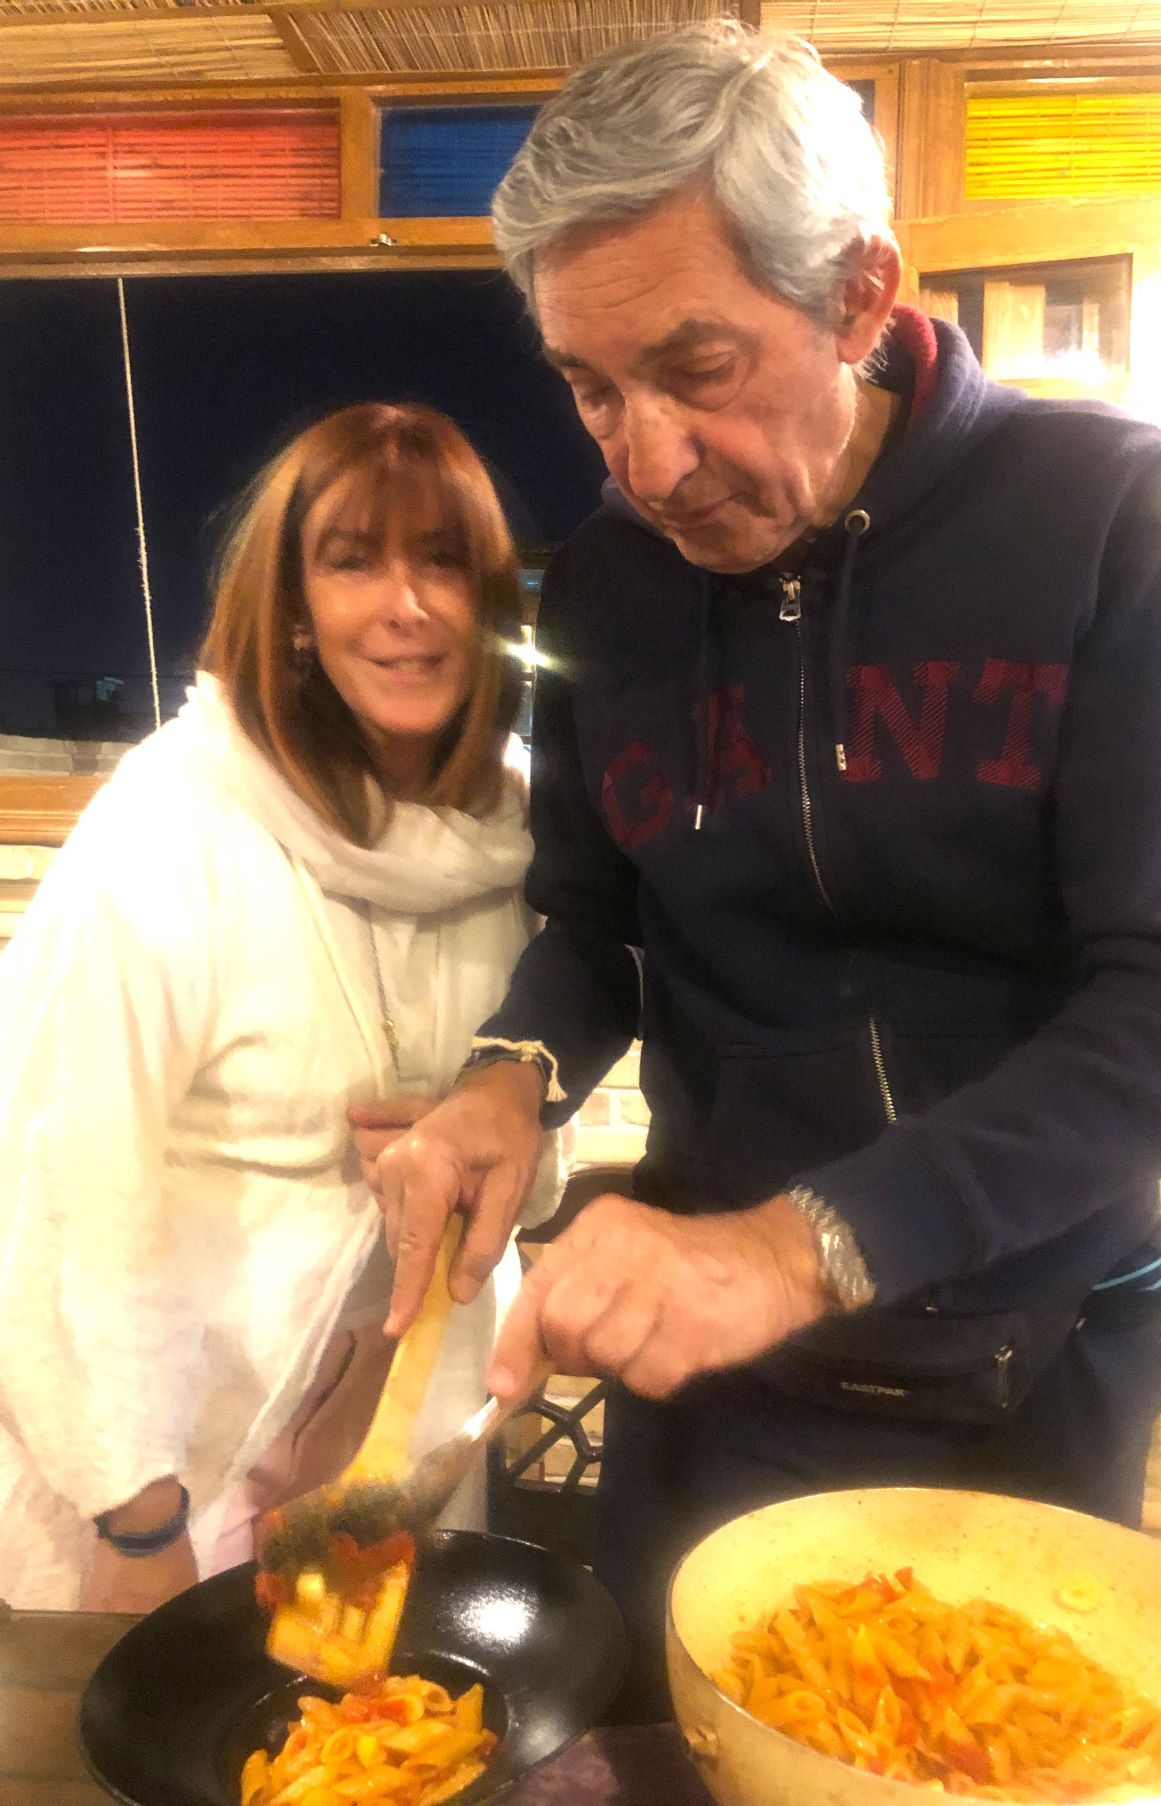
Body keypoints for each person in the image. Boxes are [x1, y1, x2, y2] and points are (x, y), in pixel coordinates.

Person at [369, 20, 1161, 1713]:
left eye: (697, 369)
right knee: (678, 1737)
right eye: (590, 388)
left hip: (1030, 1359)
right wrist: (508, 1076)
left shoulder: (1111, 525)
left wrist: (791, 1248)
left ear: (862, 292)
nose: (645, 463)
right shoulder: (599, 592)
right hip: (710, 1381)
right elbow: (595, 920)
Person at [0, 400, 564, 1613]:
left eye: (443, 560)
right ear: (296, 612)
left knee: (377, 1771)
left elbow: (541, 1154)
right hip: (167, 1472)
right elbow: (52, 1186)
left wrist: (479, 1145)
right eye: (354, 560)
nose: (405, 605)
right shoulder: (170, 829)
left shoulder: (520, 841)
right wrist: (134, 1513)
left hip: (394, 1458)